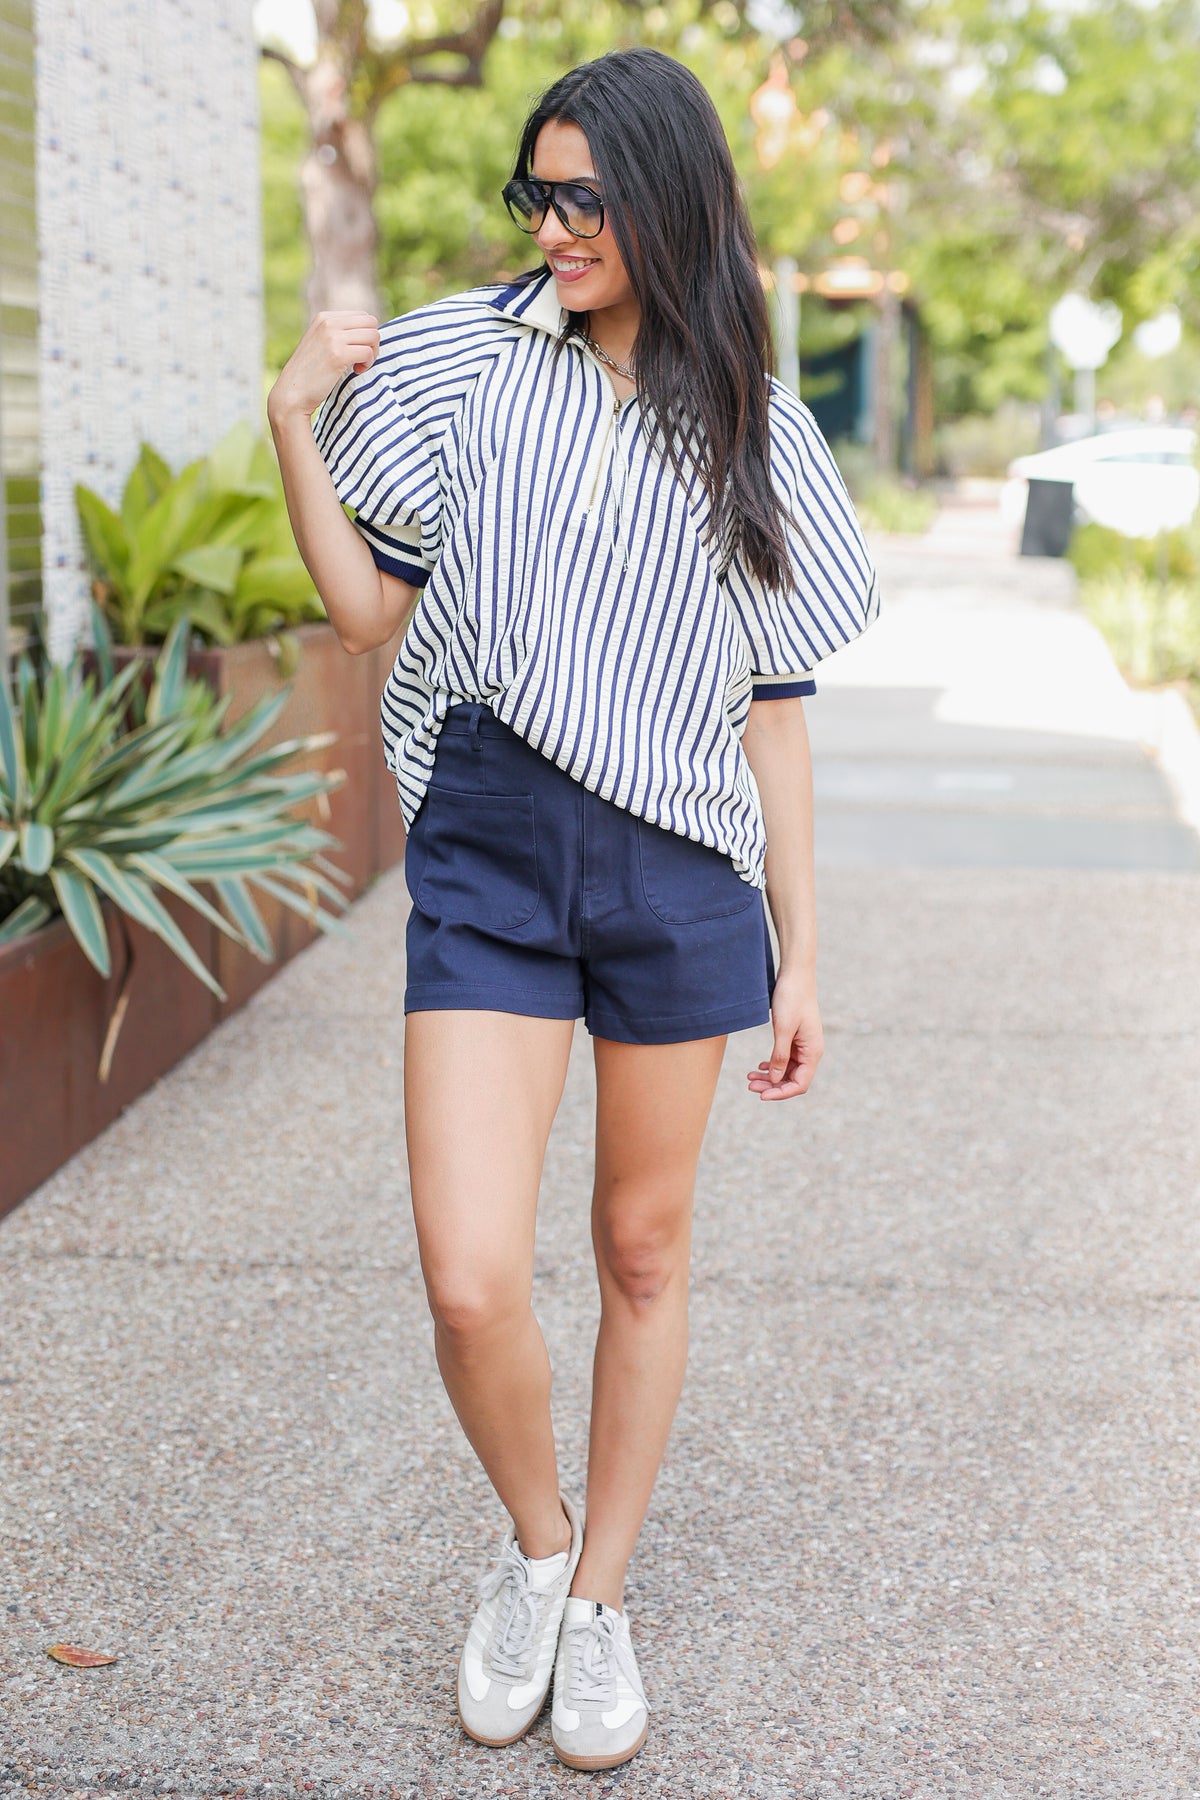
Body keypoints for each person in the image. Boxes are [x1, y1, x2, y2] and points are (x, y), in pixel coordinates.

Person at [267, 46, 879, 1774]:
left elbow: (775, 707)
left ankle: (602, 1599)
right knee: (469, 1278)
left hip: (680, 871)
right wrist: (294, 421)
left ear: (669, 200)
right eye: (536, 194)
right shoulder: (471, 354)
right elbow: (366, 613)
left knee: (639, 1247)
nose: (553, 225)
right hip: (490, 841)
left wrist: (803, 948)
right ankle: (535, 1550)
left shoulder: (755, 422)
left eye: (586, 198)